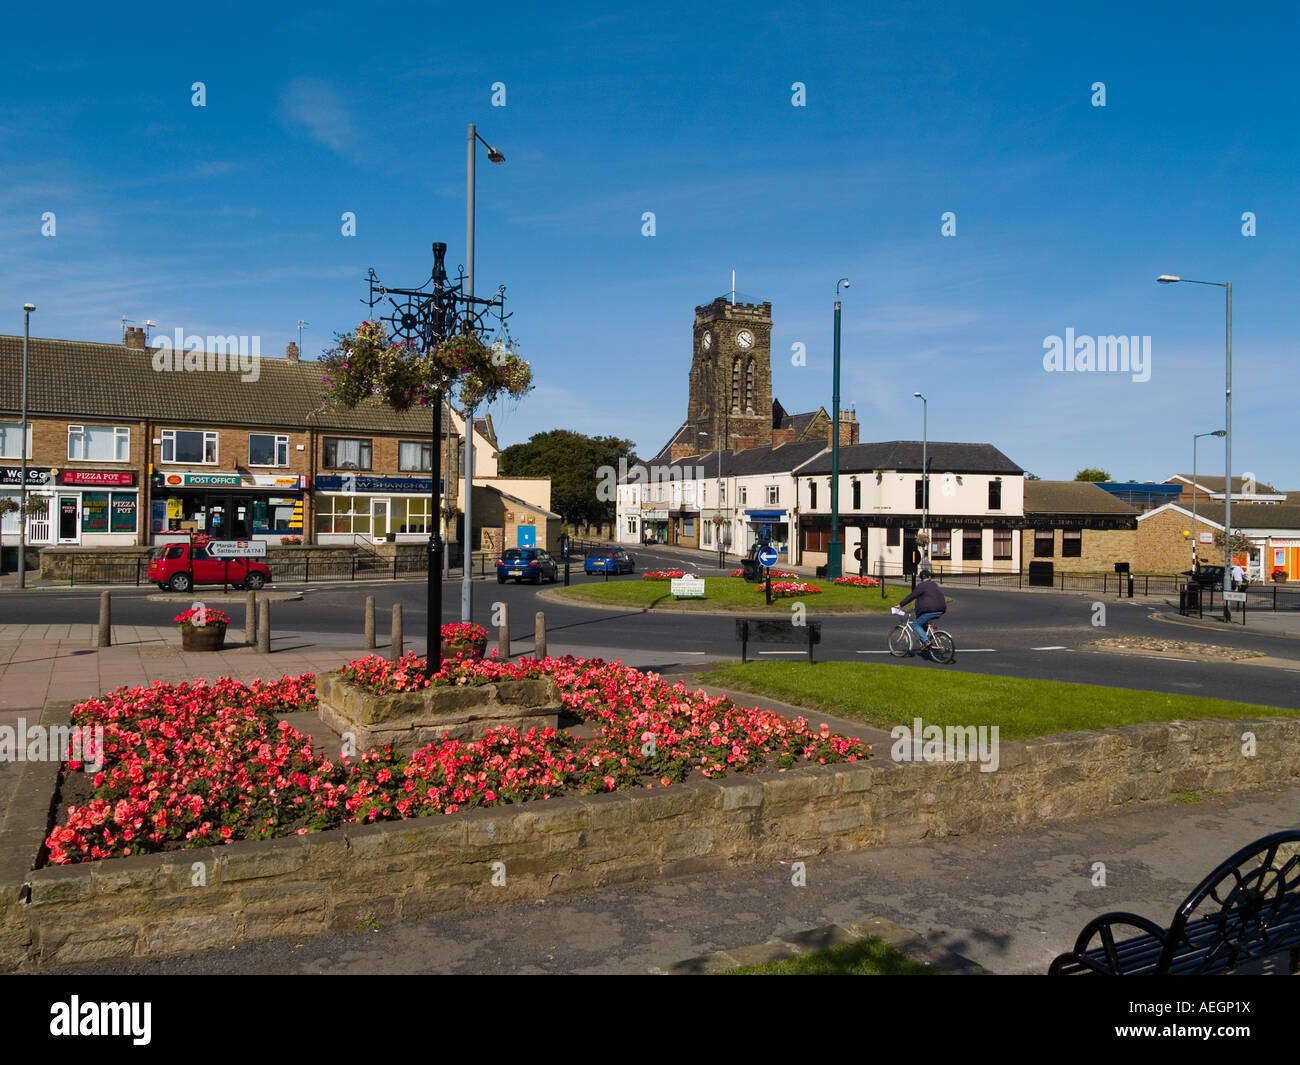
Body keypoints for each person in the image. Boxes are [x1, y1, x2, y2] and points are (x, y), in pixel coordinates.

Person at [898, 566, 946, 648]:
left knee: (915, 624)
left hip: (930, 610)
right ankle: (925, 644)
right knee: (923, 623)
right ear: (929, 577)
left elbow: (912, 596)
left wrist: (901, 605)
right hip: (941, 609)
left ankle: (926, 641)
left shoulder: (921, 586)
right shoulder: (934, 585)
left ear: (921, 578)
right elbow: (929, 598)